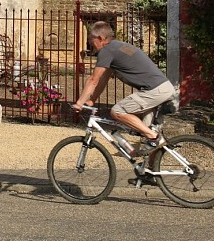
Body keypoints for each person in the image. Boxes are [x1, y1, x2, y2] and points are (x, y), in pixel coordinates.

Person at [73, 21, 176, 156]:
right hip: (162, 88)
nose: (91, 47)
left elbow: (93, 80)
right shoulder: (118, 47)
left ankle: (153, 137)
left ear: (100, 39)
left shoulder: (106, 50)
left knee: (118, 111)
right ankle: (149, 174)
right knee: (147, 142)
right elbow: (103, 79)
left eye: (91, 43)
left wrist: (80, 102)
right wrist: (92, 100)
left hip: (154, 90)